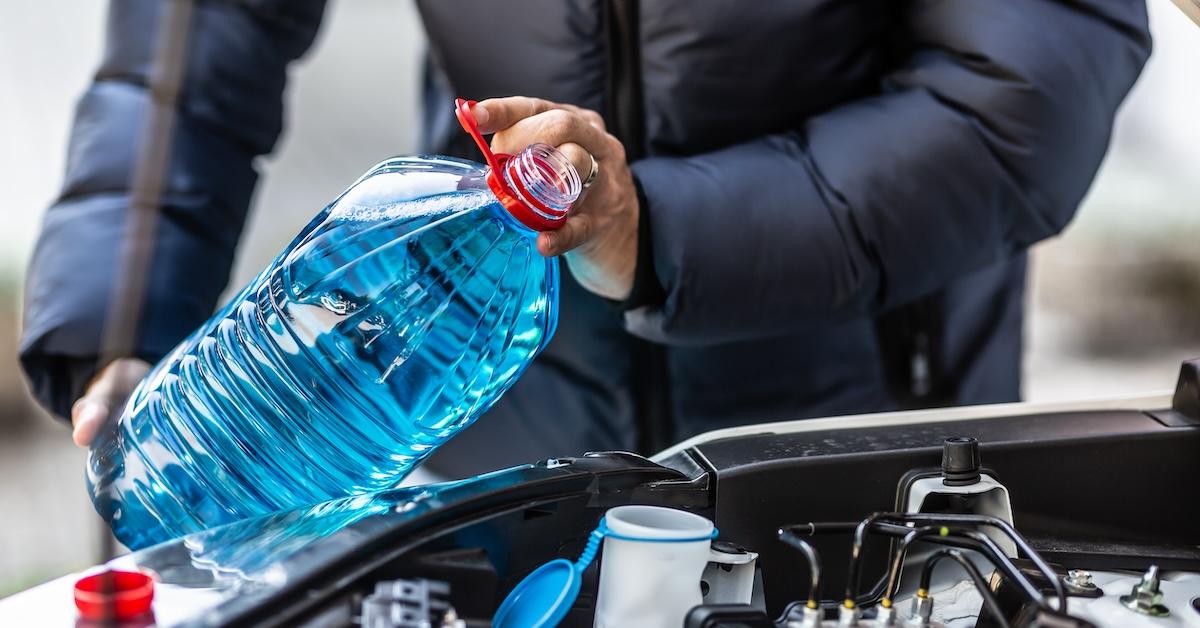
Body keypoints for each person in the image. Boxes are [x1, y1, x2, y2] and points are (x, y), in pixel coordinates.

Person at [21, 1, 1150, 479]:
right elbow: (192, 44)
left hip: (858, 430)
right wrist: (125, 324)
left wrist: (652, 227)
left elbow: (1020, 100)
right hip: (498, 423)